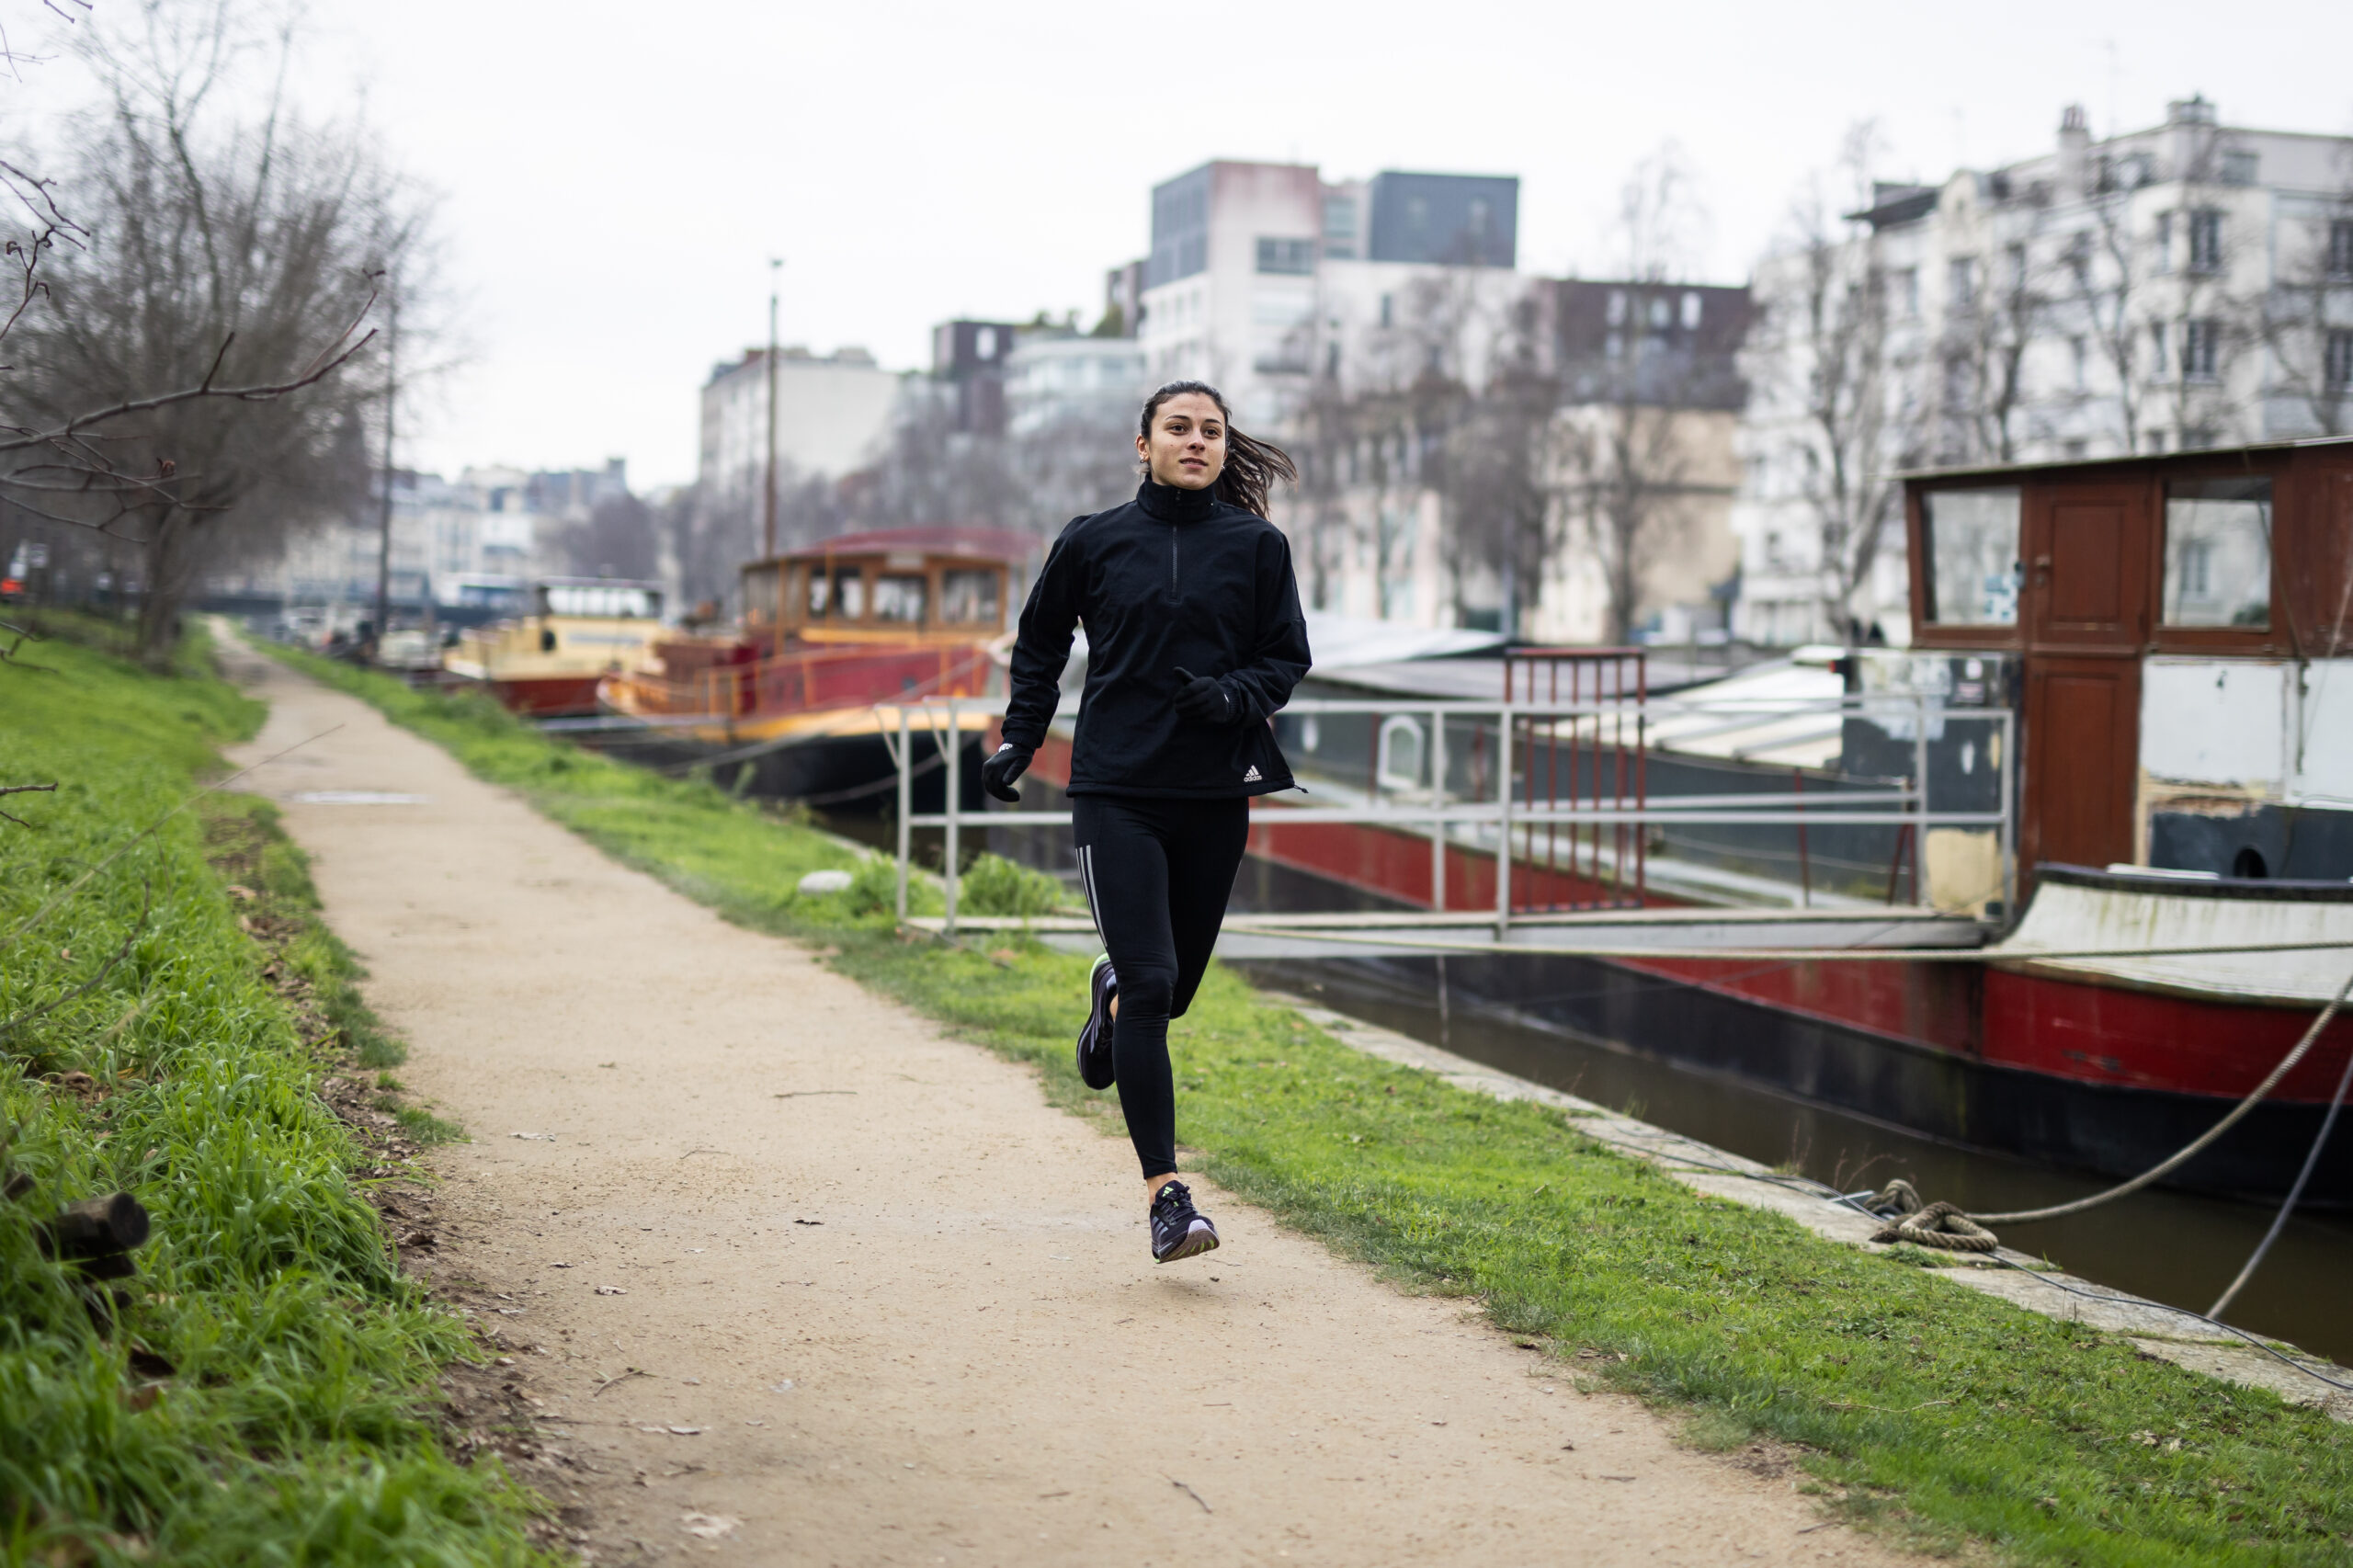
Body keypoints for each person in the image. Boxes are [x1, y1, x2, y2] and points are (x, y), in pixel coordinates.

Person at [983, 381, 1310, 1264]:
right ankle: (1168, 1196)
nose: (1196, 441)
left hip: (1213, 797)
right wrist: (1020, 739)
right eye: (1178, 428)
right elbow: (1041, 643)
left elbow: (1286, 655)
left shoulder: (1257, 547)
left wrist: (1234, 695)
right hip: (1115, 789)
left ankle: (1111, 999)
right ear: (1144, 444)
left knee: (1167, 999)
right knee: (1156, 984)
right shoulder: (1093, 541)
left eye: (1211, 430)